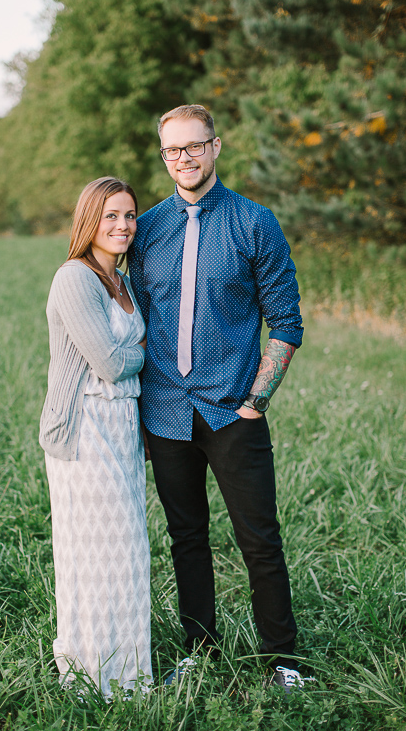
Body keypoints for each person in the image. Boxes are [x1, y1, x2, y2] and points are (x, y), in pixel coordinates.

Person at [128, 105, 305, 693]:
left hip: (233, 410)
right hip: (166, 412)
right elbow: (138, 319)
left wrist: (257, 399)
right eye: (172, 150)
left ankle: (284, 660)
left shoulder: (255, 222)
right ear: (164, 157)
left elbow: (285, 319)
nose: (184, 159)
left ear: (215, 147)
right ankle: (199, 652)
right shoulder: (147, 228)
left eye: (194, 147)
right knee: (187, 538)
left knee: (260, 539)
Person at [39, 176, 153, 699]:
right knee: (95, 553)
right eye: (111, 216)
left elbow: (114, 360)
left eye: (129, 216)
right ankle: (93, 676)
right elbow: (110, 362)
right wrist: (142, 358)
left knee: (126, 550)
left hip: (121, 428)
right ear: (90, 220)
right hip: (82, 431)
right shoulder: (75, 278)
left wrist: (126, 364)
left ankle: (129, 674)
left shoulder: (121, 282)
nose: (123, 226)